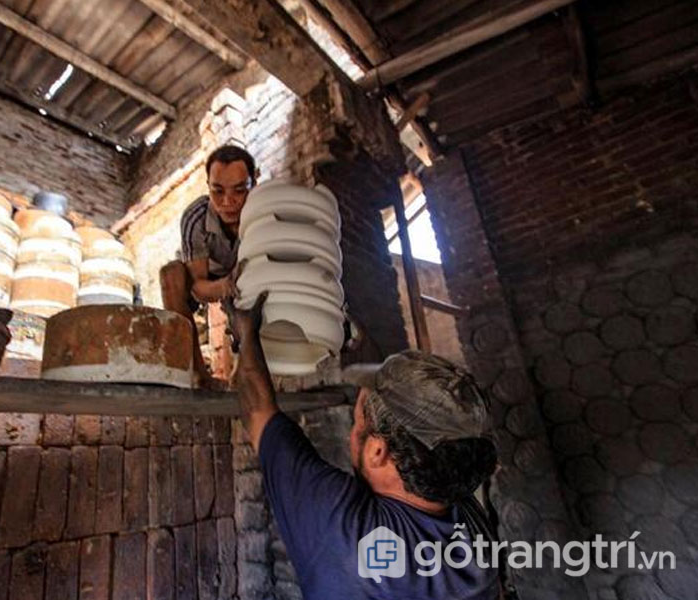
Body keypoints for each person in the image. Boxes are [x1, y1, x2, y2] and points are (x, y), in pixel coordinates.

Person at [226, 291, 501, 599]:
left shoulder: (345, 528)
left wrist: (246, 332)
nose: (353, 427)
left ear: (377, 452)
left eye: (357, 419)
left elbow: (258, 412)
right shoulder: (470, 517)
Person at [160, 145, 258, 387]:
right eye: (218, 191)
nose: (228, 202)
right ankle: (197, 373)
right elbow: (198, 288)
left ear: (254, 182)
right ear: (208, 186)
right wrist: (226, 285)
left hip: (247, 272)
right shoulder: (196, 217)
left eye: (239, 190)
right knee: (170, 274)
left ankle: (244, 373)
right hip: (207, 276)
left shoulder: (264, 210)